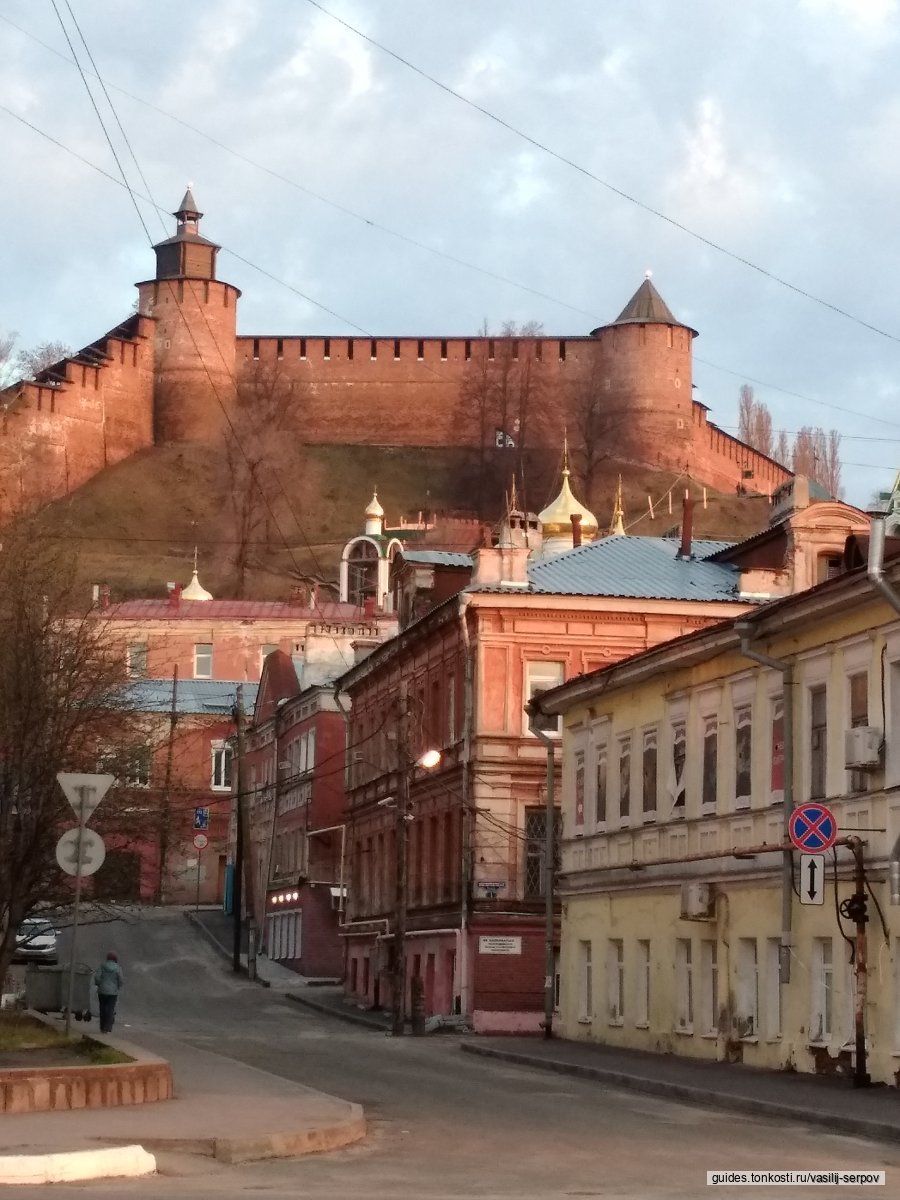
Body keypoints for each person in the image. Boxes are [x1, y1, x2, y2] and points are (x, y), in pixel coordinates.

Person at [93, 951, 124, 1033]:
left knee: (102, 1008)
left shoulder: (102, 966)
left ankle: (102, 1027)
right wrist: (118, 986)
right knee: (110, 1009)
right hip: (113, 992)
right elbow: (120, 979)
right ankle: (107, 1027)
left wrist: (99, 984)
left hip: (102, 991)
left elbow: (97, 977)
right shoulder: (118, 967)